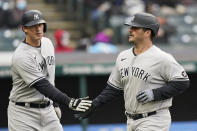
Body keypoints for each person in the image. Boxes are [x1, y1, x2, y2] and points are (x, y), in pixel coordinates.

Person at [74, 12, 190, 131]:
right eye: (130, 27)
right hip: (131, 120)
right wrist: (94, 105)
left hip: (154, 118)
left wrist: (155, 94)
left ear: (147, 32)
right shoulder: (123, 56)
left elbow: (182, 82)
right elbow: (113, 88)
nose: (130, 30)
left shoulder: (162, 58)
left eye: (135, 28)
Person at [7, 10, 92, 131]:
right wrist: (69, 101)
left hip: (47, 110)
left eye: (40, 25)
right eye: (33, 26)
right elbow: (42, 84)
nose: (38, 29)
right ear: (24, 29)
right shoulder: (21, 55)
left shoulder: (47, 43)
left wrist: (55, 104)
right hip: (23, 113)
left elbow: (50, 77)